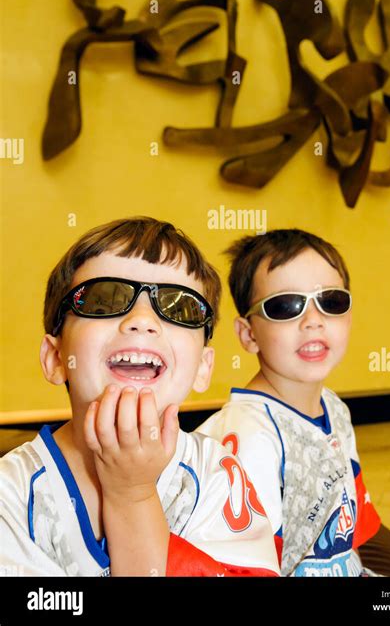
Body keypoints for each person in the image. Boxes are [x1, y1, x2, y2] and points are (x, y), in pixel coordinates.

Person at [0, 217, 279, 577]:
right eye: (103, 301)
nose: (143, 319)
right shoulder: (11, 494)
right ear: (56, 359)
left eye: (180, 307)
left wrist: (132, 494)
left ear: (203, 368)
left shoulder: (217, 474)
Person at [197, 228, 390, 577]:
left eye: (331, 301)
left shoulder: (334, 407)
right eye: (285, 306)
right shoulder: (252, 438)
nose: (313, 320)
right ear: (248, 334)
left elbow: (351, 515)